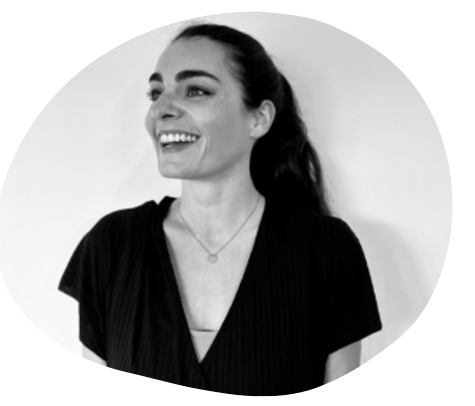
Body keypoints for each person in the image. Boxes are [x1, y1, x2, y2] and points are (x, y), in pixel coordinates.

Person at [58, 22, 382, 394]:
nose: (160, 109)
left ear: (259, 118)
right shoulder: (112, 246)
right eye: (156, 93)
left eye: (195, 90)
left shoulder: (327, 250)